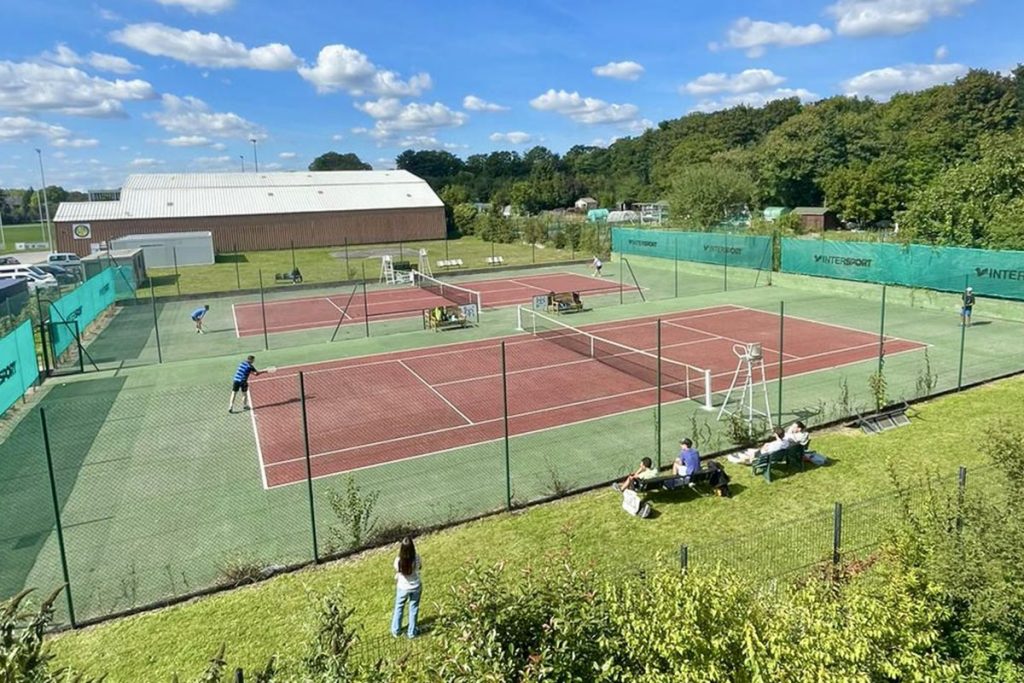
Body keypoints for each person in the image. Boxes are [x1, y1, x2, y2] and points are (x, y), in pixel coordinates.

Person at [391, 537, 422, 639]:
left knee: (399, 607)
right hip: (416, 586)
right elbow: (419, 567)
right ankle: (412, 632)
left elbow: (398, 570)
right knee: (413, 608)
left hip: (403, 587)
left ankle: (396, 630)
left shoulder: (398, 561)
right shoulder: (416, 558)